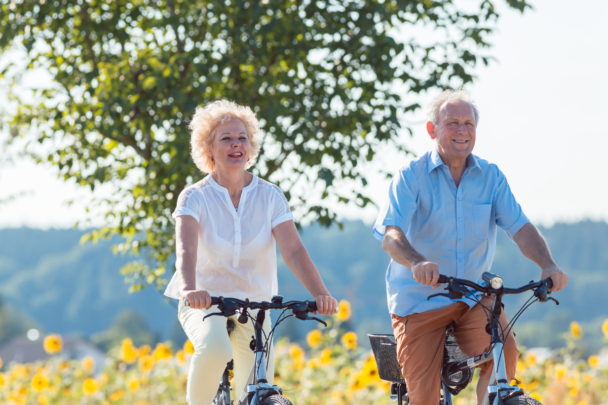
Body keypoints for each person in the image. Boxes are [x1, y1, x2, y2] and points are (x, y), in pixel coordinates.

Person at [372, 89, 568, 405]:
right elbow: (390, 235)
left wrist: (548, 264)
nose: (462, 131)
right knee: (423, 399)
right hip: (419, 302)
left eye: (468, 123)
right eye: (452, 123)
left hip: (472, 296)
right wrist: (416, 262)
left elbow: (520, 228)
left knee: (503, 356)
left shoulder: (490, 176)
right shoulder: (412, 176)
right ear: (432, 129)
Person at [164, 99, 338, 405]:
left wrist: (320, 292)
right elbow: (186, 250)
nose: (236, 145)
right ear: (209, 148)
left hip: (256, 304)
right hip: (205, 300)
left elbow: (294, 250)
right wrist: (190, 289)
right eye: (226, 138)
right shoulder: (194, 197)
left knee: (256, 389)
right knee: (215, 348)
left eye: (242, 138)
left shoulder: (269, 196)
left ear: (251, 146)